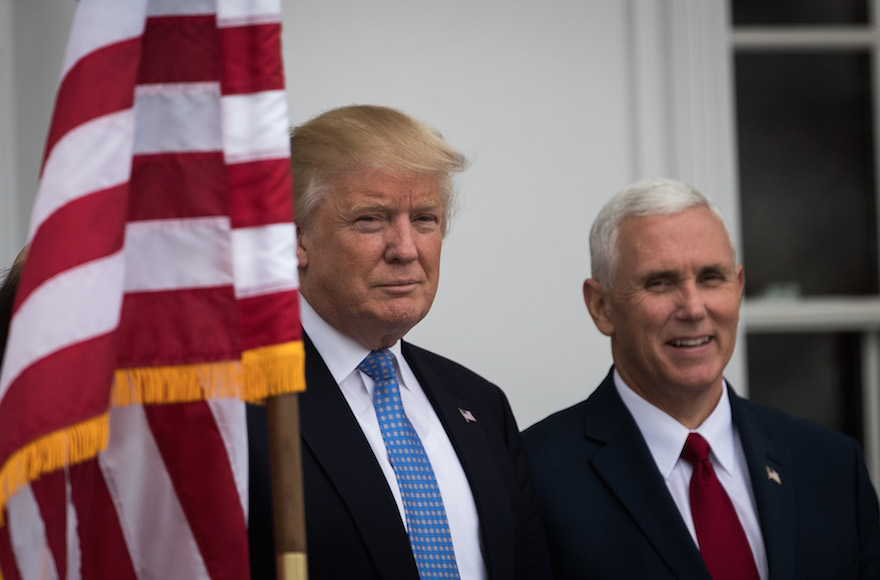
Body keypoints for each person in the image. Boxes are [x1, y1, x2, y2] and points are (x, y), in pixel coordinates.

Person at [247, 105, 551, 579]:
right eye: (371, 219)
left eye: (425, 219)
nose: (406, 249)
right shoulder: (236, 403)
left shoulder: (481, 405)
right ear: (296, 240)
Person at [522, 177, 880, 579]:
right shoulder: (532, 477)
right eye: (660, 282)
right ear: (602, 306)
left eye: (711, 278)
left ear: (739, 288)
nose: (693, 308)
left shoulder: (831, 466)